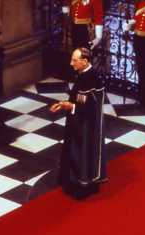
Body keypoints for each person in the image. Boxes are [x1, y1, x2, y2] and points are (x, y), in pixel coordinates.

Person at [50, 47, 106, 199]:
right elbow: (79, 99)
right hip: (78, 121)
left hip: (86, 125)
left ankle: (81, 187)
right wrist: (64, 104)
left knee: (81, 153)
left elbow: (90, 106)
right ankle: (70, 181)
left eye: (74, 60)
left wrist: (70, 106)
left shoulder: (91, 78)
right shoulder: (84, 74)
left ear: (85, 61)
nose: (71, 63)